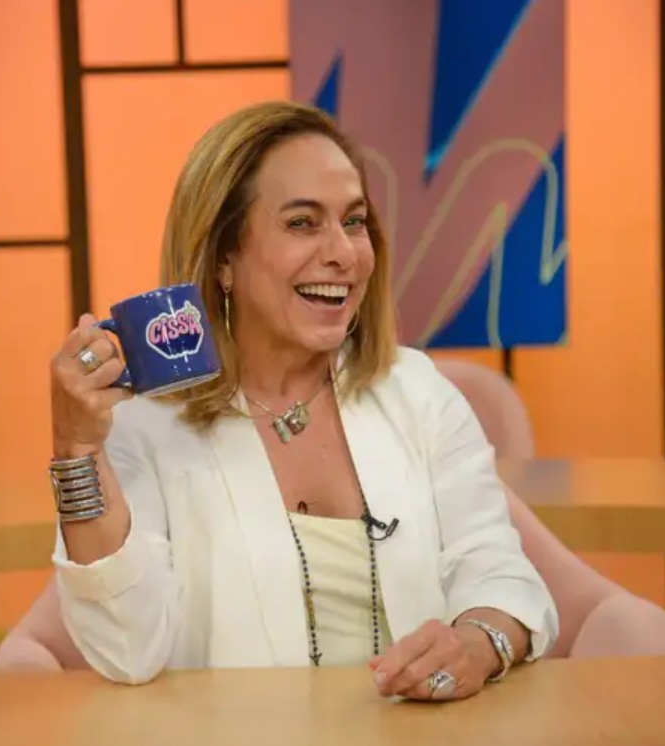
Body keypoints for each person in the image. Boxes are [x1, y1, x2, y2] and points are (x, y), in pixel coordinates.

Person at [46, 100, 558, 701]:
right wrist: (76, 450)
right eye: (302, 223)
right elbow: (126, 650)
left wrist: (477, 641)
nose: (344, 253)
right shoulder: (145, 427)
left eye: (354, 221)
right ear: (224, 257)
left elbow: (499, 573)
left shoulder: (420, 394)